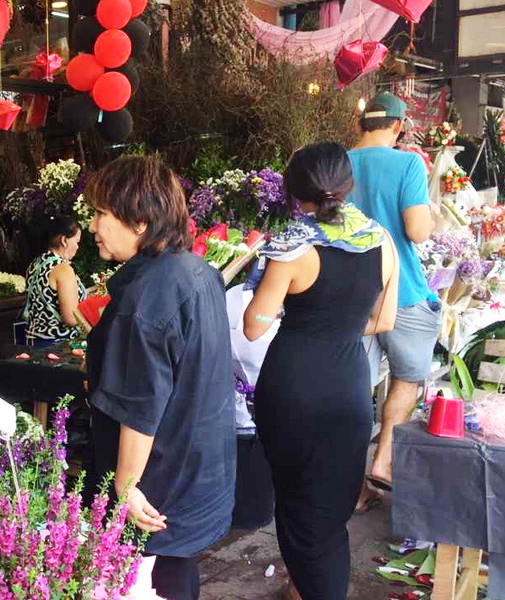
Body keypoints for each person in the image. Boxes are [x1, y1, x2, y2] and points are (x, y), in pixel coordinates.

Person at [245, 143, 399, 600]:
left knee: (297, 505)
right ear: (347, 185)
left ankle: (314, 587)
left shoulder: (293, 249)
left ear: (294, 190)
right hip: (351, 382)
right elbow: (383, 321)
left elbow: (255, 326)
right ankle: (310, 586)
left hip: (295, 385)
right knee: (330, 508)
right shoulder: (380, 240)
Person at [86, 156, 235, 600]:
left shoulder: (147, 297)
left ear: (140, 222)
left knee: (153, 583)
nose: (93, 226)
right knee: (176, 574)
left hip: (160, 483)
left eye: (101, 214)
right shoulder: (198, 271)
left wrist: (126, 485)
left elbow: (141, 408)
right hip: (198, 468)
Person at [348, 92, 439, 505]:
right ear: (399, 127)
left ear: (361, 124)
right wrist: (433, 214)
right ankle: (382, 461)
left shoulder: (337, 163)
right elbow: (418, 230)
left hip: (349, 294)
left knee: (354, 386)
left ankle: (350, 487)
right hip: (401, 292)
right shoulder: (407, 163)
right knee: (408, 376)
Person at [23, 215, 86, 345]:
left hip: (33, 340)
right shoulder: (63, 269)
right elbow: (71, 318)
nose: (78, 247)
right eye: (77, 242)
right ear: (64, 240)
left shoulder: (36, 264)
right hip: (58, 346)